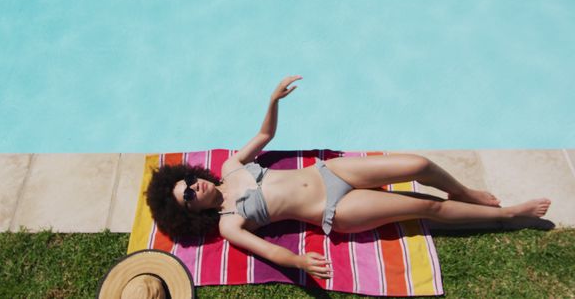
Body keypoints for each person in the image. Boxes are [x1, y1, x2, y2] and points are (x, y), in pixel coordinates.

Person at [147, 75, 552, 280]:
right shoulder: (230, 224)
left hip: (331, 171)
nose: (192, 188)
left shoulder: (230, 168)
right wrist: (300, 261)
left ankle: (470, 193)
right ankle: (508, 215)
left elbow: (266, 135)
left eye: (186, 182)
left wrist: (271, 100)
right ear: (192, 212)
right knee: (426, 206)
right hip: (335, 208)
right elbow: (269, 253)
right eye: (186, 196)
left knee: (418, 164)